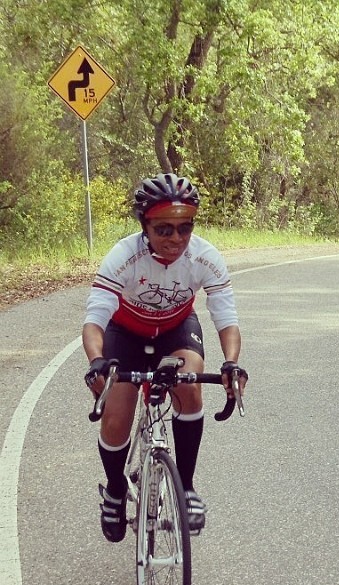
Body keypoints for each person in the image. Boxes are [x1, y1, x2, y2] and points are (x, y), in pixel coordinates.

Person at [82, 172, 247, 542]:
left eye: (184, 228)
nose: (176, 239)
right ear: (145, 226)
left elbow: (226, 318)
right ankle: (114, 490)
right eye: (164, 229)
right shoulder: (124, 257)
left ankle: (186, 488)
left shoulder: (205, 257)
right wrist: (97, 361)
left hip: (176, 329)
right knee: (117, 415)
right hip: (125, 333)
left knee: (191, 384)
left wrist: (231, 363)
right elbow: (95, 320)